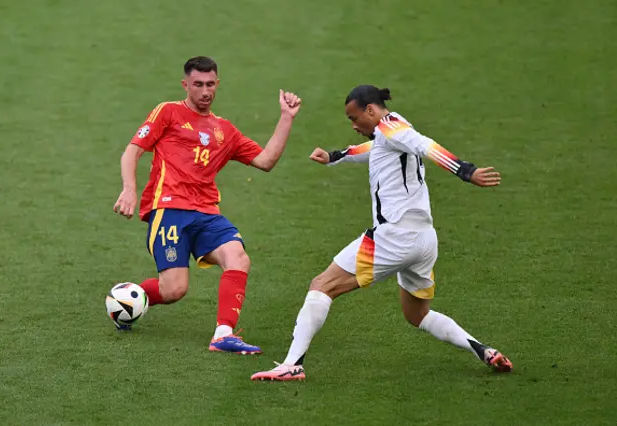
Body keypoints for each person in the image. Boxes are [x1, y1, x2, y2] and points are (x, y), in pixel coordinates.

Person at [251, 85, 511, 380]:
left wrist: (466, 171)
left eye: (354, 118)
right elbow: (374, 150)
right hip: (424, 240)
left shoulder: (391, 126)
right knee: (417, 314)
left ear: (371, 111)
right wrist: (335, 156)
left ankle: (292, 364)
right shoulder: (388, 133)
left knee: (322, 285)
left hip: (394, 237)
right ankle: (482, 350)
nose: (353, 125)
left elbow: (426, 145)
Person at [113, 56, 301, 354]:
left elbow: (265, 161)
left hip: (207, 213)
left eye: (210, 84)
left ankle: (223, 334)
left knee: (238, 258)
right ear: (185, 84)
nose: (205, 91)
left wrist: (286, 118)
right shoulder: (169, 112)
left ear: (217, 84)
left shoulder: (224, 130)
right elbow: (132, 151)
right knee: (174, 290)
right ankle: (125, 298)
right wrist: (129, 190)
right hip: (170, 210)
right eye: (198, 84)